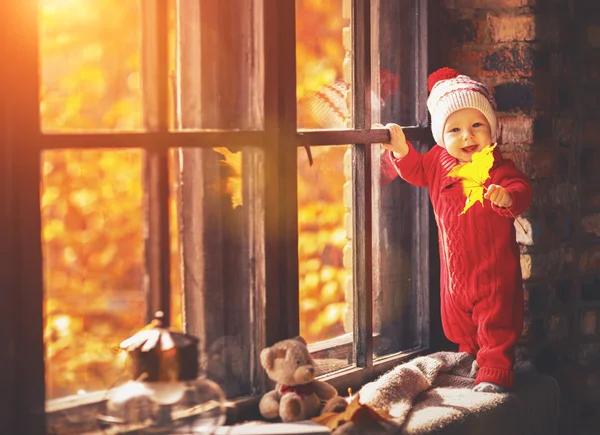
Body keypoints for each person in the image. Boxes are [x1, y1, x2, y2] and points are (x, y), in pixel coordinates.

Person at [380, 67, 533, 393]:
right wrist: (401, 150)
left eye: (477, 125)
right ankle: (470, 357)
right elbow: (415, 170)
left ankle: (495, 371)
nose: (467, 136)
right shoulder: (436, 161)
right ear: (440, 135)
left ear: (491, 130)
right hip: (455, 270)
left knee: (495, 319)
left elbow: (521, 188)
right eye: (455, 129)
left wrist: (508, 196)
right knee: (458, 320)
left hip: (493, 270)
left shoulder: (496, 167)